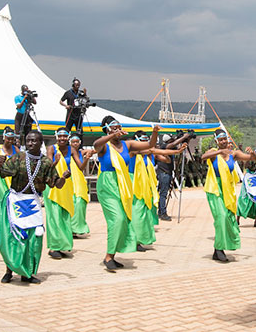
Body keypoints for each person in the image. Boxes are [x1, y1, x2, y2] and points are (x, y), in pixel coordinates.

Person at [0, 130, 67, 284]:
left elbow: (55, 184)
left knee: (33, 239)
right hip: (15, 200)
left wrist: (64, 178)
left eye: (34, 141)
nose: (30, 143)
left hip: (32, 203)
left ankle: (28, 273)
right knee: (14, 237)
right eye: (28, 140)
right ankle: (9, 270)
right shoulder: (18, 157)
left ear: (41, 143)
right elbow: (0, 173)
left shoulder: (45, 162)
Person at [93, 116, 158, 271]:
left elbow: (150, 144)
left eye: (118, 126)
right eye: (113, 127)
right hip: (107, 186)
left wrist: (154, 132)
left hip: (123, 186)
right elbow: (96, 145)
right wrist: (111, 136)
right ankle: (108, 257)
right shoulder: (104, 145)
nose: (117, 129)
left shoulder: (127, 144)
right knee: (117, 218)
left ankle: (112, 255)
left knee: (122, 220)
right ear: (107, 129)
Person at [201, 129, 255, 262]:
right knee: (221, 217)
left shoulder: (233, 153)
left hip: (228, 190)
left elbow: (250, 158)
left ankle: (217, 249)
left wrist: (253, 154)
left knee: (227, 218)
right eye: (220, 139)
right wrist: (220, 152)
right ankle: (219, 249)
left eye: (225, 139)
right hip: (215, 189)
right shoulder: (213, 153)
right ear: (216, 141)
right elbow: (203, 157)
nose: (223, 141)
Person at [129, 131, 185, 252]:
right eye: (143, 140)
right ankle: (134, 240)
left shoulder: (147, 154)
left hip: (145, 184)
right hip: (134, 184)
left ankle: (140, 239)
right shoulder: (133, 152)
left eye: (146, 140)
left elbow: (161, 152)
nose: (146, 143)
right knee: (137, 212)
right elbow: (152, 150)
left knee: (145, 212)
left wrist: (177, 151)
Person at [46, 128, 80, 259]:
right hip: (53, 184)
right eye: (60, 136)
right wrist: (55, 161)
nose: (62, 138)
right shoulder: (51, 148)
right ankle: (54, 247)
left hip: (66, 184)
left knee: (65, 214)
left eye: (64, 136)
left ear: (68, 137)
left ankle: (64, 245)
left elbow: (80, 167)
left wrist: (87, 158)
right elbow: (48, 166)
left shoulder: (72, 150)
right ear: (56, 137)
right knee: (54, 216)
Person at [154, 131, 193, 221]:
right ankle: (162, 213)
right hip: (163, 173)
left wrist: (187, 140)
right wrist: (183, 137)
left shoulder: (170, 148)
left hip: (167, 173)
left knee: (163, 193)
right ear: (168, 141)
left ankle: (161, 212)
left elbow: (180, 148)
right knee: (163, 194)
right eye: (171, 140)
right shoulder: (163, 146)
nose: (173, 142)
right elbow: (174, 144)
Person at [67, 132, 94, 239]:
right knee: (73, 202)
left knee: (80, 202)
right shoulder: (67, 152)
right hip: (70, 179)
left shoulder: (81, 152)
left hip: (80, 180)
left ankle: (78, 228)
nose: (75, 144)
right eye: (73, 142)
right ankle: (70, 228)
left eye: (77, 142)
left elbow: (94, 149)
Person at [0, 127, 19, 205]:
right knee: (3, 203)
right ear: (4, 138)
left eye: (12, 139)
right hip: (0, 180)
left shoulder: (15, 149)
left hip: (11, 178)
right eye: (8, 139)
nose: (10, 141)